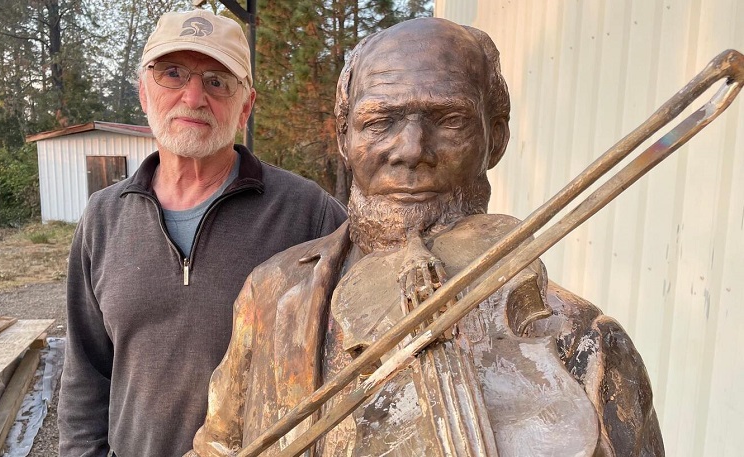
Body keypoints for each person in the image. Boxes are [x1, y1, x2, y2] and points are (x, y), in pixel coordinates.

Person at [187, 17, 664, 457]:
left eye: (448, 120)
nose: (411, 150)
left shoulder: (587, 344)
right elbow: (217, 448)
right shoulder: (271, 293)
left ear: (494, 138)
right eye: (379, 121)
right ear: (344, 140)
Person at [57, 9, 347, 457]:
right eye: (172, 74)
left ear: (245, 106)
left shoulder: (307, 213)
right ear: (143, 93)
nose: (193, 97)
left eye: (217, 81)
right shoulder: (104, 218)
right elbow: (86, 370)